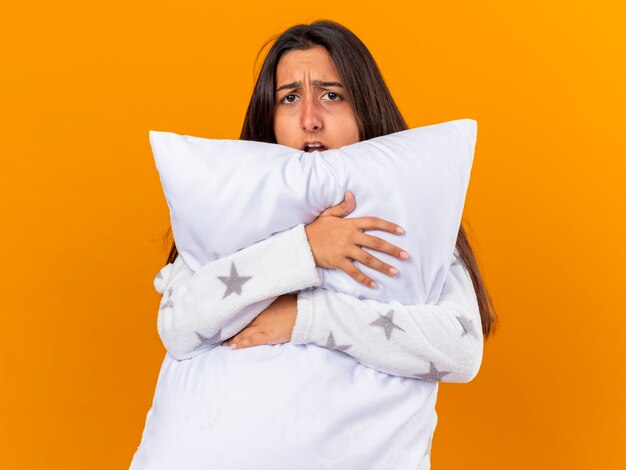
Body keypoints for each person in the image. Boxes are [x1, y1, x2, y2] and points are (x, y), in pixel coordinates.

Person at [150, 19, 496, 467]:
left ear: (363, 107)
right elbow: (178, 328)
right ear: (269, 116)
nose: (309, 119)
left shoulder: (406, 220)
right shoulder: (230, 214)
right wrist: (306, 249)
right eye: (289, 97)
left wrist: (307, 316)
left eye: (331, 95)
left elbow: (460, 352)